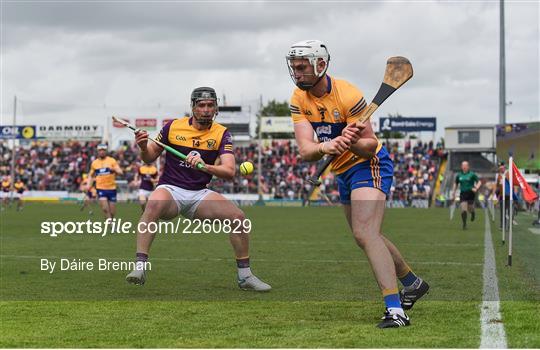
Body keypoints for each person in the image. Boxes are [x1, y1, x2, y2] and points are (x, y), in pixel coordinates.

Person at [286, 40, 428, 328]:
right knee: (364, 234)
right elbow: (305, 150)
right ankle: (412, 283)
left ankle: (395, 310)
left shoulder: (348, 95)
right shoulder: (299, 99)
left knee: (365, 232)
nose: (296, 73)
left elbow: (369, 145)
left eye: (301, 67)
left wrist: (351, 144)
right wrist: (329, 146)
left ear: (320, 65)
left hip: (369, 164)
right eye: (294, 67)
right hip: (342, 172)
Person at [125, 87, 271, 292]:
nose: (206, 110)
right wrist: (142, 147)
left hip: (199, 194)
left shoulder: (222, 133)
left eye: (210, 105)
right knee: (154, 204)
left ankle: (245, 276)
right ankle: (139, 267)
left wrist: (204, 166)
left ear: (216, 108)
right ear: (193, 107)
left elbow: (229, 171)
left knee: (238, 218)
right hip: (170, 189)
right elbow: (150, 156)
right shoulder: (172, 127)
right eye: (201, 105)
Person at [87, 144, 123, 219]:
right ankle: (110, 223)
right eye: (100, 150)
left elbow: (120, 172)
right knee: (105, 208)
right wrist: (88, 185)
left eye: (103, 150)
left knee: (112, 211)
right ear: (98, 151)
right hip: (100, 188)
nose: (102, 152)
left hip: (112, 188)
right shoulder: (94, 163)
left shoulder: (112, 160)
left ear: (106, 151)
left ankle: (110, 220)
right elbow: (91, 175)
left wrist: (114, 170)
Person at [452, 161, 481, 230]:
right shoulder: (459, 175)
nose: (464, 167)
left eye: (465, 166)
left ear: (468, 167)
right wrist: (453, 192)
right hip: (463, 194)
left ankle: (473, 213)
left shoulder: (472, 174)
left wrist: (476, 188)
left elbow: (479, 182)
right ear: (461, 167)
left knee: (470, 208)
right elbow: (455, 184)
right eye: (463, 166)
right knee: (463, 210)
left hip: (471, 193)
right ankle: (464, 224)